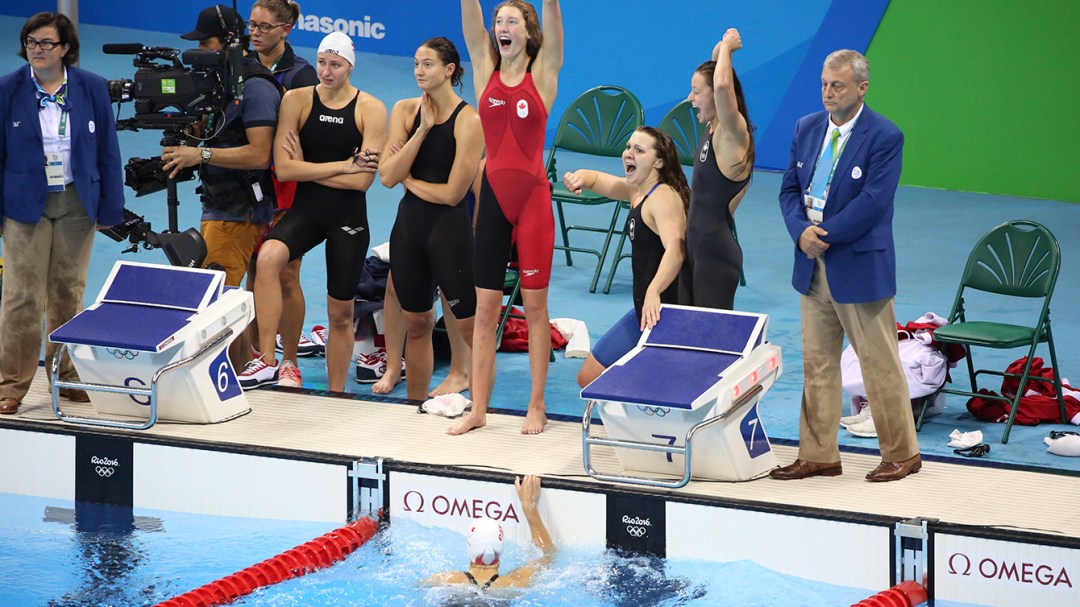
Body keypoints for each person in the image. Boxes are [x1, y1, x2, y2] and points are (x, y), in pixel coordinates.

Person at [773, 49, 921, 483]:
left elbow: (873, 202)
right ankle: (818, 454)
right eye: (823, 84)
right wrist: (800, 232)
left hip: (856, 265)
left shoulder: (885, 136)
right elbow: (788, 190)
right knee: (817, 364)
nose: (828, 93)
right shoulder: (806, 128)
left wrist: (824, 236)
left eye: (837, 85)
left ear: (862, 88)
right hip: (812, 264)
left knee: (879, 363)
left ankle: (902, 453)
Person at [242, 31, 386, 392]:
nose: (326, 70)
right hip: (306, 210)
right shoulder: (297, 100)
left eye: (335, 64)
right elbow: (286, 170)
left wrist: (310, 165)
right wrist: (343, 165)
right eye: (322, 62)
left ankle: (336, 392)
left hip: (348, 218)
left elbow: (361, 184)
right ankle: (272, 360)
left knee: (340, 313)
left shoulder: (371, 108)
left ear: (350, 66)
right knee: (268, 258)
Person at [0, 12, 124, 415]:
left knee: (68, 292)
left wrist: (110, 207)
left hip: (76, 204)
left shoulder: (90, 88)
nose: (37, 49)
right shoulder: (7, 90)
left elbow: (108, 150)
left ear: (65, 48)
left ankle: (66, 376)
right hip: (24, 206)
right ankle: (11, 384)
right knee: (21, 296)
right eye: (32, 42)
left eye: (46, 43)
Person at [452, 0, 564, 436]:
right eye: (498, 21)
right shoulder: (485, 65)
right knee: (485, 311)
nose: (501, 27)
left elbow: (554, 22)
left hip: (533, 201)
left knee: (535, 310)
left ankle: (536, 405)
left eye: (511, 21)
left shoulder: (544, 70)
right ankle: (478, 408)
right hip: (495, 201)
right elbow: (469, 20)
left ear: (528, 31)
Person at [161, 4, 282, 370]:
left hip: (239, 209)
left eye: (206, 43)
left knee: (219, 299)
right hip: (220, 203)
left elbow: (261, 154)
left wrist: (201, 154)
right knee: (223, 296)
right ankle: (241, 368)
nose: (200, 51)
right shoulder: (222, 82)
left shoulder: (256, 87)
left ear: (229, 42)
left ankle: (233, 374)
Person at [376, 37, 483, 401]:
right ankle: (416, 407)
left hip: (448, 233)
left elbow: (453, 193)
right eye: (417, 64)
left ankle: (479, 408)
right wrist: (420, 131)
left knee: (470, 330)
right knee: (417, 323)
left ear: (449, 70)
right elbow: (387, 177)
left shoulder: (469, 120)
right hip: (409, 229)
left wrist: (408, 178)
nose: (419, 71)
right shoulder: (405, 111)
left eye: (428, 64)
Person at [563, 127, 688, 387]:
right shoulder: (638, 191)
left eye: (639, 150)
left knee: (652, 391)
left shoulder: (662, 198)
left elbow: (676, 250)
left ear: (659, 162)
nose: (628, 154)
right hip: (644, 311)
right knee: (588, 378)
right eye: (628, 147)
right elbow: (599, 180)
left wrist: (654, 291)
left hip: (666, 316)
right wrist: (580, 178)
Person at [244, 0, 320, 381]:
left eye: (263, 26)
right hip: (244, 187)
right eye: (251, 24)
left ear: (285, 29)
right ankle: (258, 356)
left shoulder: (303, 75)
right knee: (251, 274)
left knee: (286, 274)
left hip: (287, 193)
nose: (254, 32)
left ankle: (288, 361)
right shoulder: (237, 65)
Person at [680, 28, 754, 310]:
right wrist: (722, 51)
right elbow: (717, 75)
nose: (690, 98)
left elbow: (723, 86)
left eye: (697, 92)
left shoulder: (733, 134)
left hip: (716, 257)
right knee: (689, 335)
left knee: (712, 344)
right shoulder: (714, 128)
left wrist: (727, 46)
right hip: (696, 247)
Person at [425, 475, 555, 588]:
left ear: (468, 547)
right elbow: (548, 555)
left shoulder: (443, 580)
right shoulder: (512, 583)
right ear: (501, 549)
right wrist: (529, 506)